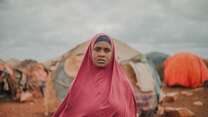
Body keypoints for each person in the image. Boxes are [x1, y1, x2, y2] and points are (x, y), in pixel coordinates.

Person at [53, 33, 137, 117]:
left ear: (112, 53)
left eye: (107, 50)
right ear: (90, 51)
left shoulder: (124, 85)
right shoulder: (77, 85)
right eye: (97, 49)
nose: (101, 54)